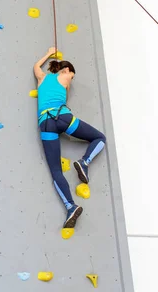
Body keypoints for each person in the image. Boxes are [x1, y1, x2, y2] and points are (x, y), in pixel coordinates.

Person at [33, 47, 107, 229]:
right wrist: (66, 73)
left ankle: (70, 206)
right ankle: (84, 162)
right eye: (72, 76)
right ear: (67, 70)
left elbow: (36, 66)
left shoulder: (42, 79)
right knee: (99, 138)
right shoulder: (65, 77)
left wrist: (49, 53)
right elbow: (65, 84)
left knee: (56, 171)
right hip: (64, 118)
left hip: (46, 123)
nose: (71, 80)